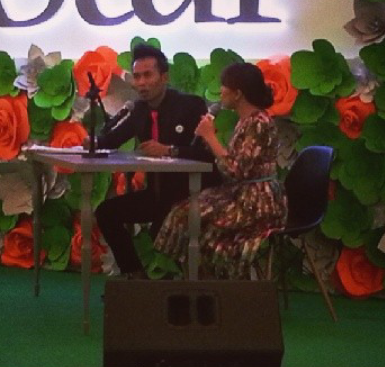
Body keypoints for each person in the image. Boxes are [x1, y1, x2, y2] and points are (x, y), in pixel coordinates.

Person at [94, 44, 219, 279]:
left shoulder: (190, 105)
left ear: (164, 77)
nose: (141, 83)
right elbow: (111, 140)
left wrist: (170, 150)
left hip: (192, 196)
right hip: (157, 195)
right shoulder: (138, 110)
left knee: (161, 229)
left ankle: (193, 286)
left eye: (147, 75)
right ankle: (135, 275)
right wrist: (89, 142)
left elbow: (207, 155)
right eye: (137, 77)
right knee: (106, 212)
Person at [154, 62, 287, 279]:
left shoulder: (258, 123)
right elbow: (235, 162)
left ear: (238, 93)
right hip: (241, 194)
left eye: (224, 86)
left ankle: (214, 285)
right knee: (183, 211)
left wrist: (210, 137)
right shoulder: (246, 121)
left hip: (256, 201)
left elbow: (235, 170)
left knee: (192, 217)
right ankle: (196, 282)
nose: (220, 91)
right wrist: (207, 141)